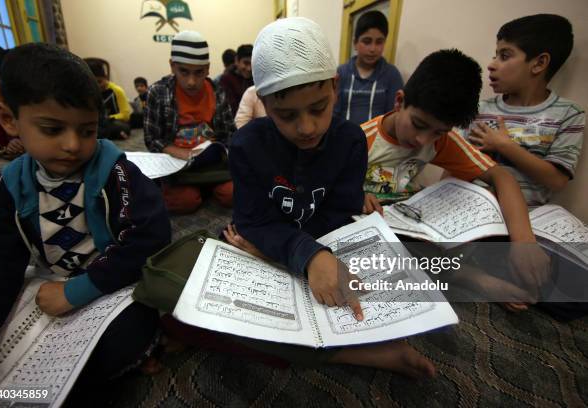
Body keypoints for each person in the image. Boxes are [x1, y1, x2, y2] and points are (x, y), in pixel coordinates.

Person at [223, 17, 436, 378]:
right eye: (286, 115)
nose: (306, 128)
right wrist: (300, 255)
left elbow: (339, 213)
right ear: (264, 102)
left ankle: (358, 346)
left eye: (318, 108)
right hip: (265, 247)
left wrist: (307, 254)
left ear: (335, 87)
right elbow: (252, 222)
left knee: (355, 296)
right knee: (214, 319)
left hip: (306, 247)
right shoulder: (246, 145)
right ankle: (357, 354)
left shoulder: (351, 141)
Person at [0, 43, 171, 388]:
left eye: (87, 130)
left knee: (129, 331)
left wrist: (81, 289)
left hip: (111, 283)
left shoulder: (116, 172)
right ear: (9, 119)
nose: (72, 145)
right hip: (48, 281)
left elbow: (149, 237)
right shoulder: (12, 184)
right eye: (53, 129)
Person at [360, 49, 550, 312]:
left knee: (486, 202)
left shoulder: (440, 141)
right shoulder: (361, 140)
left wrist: (524, 242)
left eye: (439, 132)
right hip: (366, 224)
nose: (423, 140)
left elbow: (501, 176)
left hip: (409, 220)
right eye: (418, 124)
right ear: (399, 102)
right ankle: (470, 277)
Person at [464, 14, 584, 206]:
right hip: (474, 210)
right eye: (495, 55)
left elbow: (557, 180)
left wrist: (505, 146)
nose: (491, 65)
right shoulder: (480, 109)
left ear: (539, 64)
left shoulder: (568, 114)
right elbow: (455, 162)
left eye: (504, 56)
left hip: (530, 218)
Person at [144, 30, 236, 213]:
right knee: (185, 202)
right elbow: (151, 138)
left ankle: (204, 186)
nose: (191, 81)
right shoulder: (158, 92)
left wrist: (219, 150)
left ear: (208, 68)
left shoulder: (218, 91)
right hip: (178, 165)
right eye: (183, 72)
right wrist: (178, 152)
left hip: (212, 163)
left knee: (233, 194)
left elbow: (229, 133)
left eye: (199, 72)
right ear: (172, 66)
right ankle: (197, 189)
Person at [333, 10, 403, 125]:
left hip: (377, 139)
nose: (372, 49)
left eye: (379, 42)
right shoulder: (342, 72)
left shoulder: (392, 74)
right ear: (355, 43)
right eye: (367, 41)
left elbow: (394, 115)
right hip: (345, 138)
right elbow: (334, 113)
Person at [87, 59, 132, 140]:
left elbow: (125, 115)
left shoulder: (117, 90)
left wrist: (109, 118)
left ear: (106, 77)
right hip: (97, 122)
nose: (97, 86)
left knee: (121, 127)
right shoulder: (89, 92)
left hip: (113, 121)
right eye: (93, 82)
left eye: (99, 81)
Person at [219, 44, 253, 116]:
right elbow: (231, 109)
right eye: (246, 63)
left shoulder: (255, 78)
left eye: (252, 64)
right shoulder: (226, 80)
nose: (249, 68)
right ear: (237, 60)